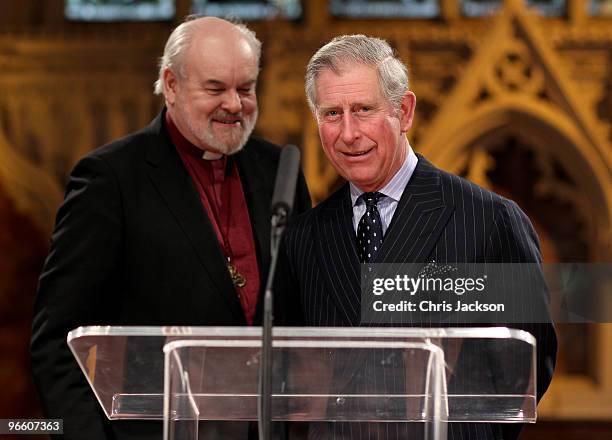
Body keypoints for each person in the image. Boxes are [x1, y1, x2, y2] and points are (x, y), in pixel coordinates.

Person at [30, 16, 310, 440]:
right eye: (215, 89)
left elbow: (303, 317)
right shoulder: (112, 179)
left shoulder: (280, 170)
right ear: (172, 84)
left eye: (246, 88)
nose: (234, 104)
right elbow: (56, 342)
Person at [280, 35, 557, 439]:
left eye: (364, 109)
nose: (349, 133)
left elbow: (527, 365)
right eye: (332, 114)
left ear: (404, 111)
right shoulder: (303, 236)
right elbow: (296, 376)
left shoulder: (489, 220)